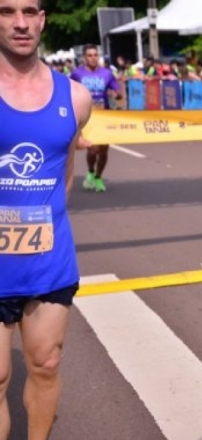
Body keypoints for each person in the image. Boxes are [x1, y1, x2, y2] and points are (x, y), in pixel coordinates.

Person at [0, 1, 92, 439]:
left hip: (48, 260)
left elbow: (65, 174)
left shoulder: (75, 96)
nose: (20, 22)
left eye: (29, 11)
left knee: (46, 364)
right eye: (6, 11)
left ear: (42, 19)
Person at [70, 43, 121, 192]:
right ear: (84, 58)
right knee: (92, 149)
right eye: (90, 55)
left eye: (95, 55)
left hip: (104, 116)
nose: (93, 58)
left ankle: (98, 177)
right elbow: (68, 90)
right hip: (87, 117)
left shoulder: (107, 73)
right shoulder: (77, 74)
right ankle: (91, 171)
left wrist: (115, 94)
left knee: (104, 150)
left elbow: (117, 90)